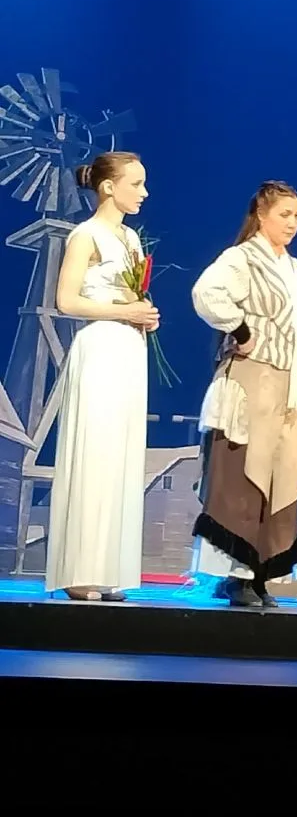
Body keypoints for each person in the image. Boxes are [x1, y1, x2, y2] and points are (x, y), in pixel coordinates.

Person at [191, 180, 297, 607]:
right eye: (284, 214)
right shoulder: (242, 258)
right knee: (244, 473)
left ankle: (261, 571)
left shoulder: (294, 268)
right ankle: (236, 574)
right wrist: (242, 329)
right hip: (251, 379)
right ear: (262, 215)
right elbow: (206, 293)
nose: (292, 223)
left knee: (280, 473)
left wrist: (296, 330)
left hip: (286, 384)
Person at [45, 152, 159, 601]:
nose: (144, 192)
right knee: (94, 454)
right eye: (136, 183)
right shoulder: (85, 235)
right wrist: (124, 312)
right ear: (109, 187)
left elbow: (130, 297)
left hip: (129, 349)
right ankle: (79, 571)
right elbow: (66, 301)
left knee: (121, 457)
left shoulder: (130, 238)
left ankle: (109, 568)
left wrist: (143, 314)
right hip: (100, 348)